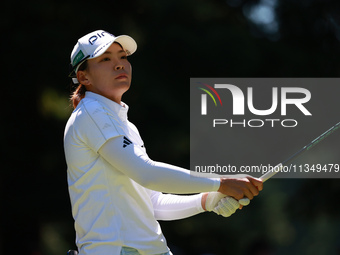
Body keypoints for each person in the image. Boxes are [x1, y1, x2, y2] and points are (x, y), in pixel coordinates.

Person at [64, 29, 263, 255]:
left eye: (123, 56)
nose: (119, 64)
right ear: (83, 77)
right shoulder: (91, 113)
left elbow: (154, 203)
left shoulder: (126, 126)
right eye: (105, 59)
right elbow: (147, 173)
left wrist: (207, 200)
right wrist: (220, 182)